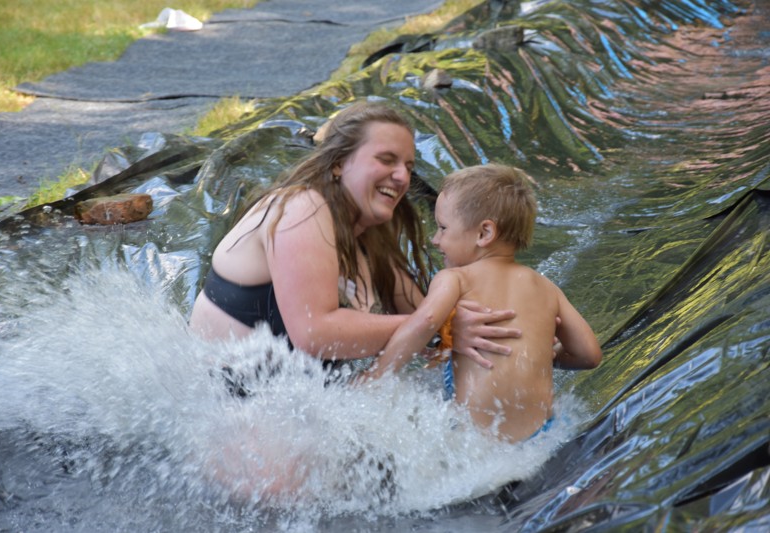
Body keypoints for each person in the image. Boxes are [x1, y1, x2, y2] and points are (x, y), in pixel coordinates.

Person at [188, 101, 519, 373]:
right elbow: (314, 332)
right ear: (338, 164)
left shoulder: (372, 242)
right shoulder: (300, 208)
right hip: (225, 405)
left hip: (289, 408)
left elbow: (433, 315)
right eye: (386, 160)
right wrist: (435, 328)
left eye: (408, 164)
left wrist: (517, 333)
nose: (403, 176)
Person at [364, 164, 602, 442]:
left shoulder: (453, 278)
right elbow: (589, 355)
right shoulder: (545, 286)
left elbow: (425, 323)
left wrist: (375, 377)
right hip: (541, 436)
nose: (435, 239)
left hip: (475, 442)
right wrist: (544, 353)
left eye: (442, 228)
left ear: (484, 234)